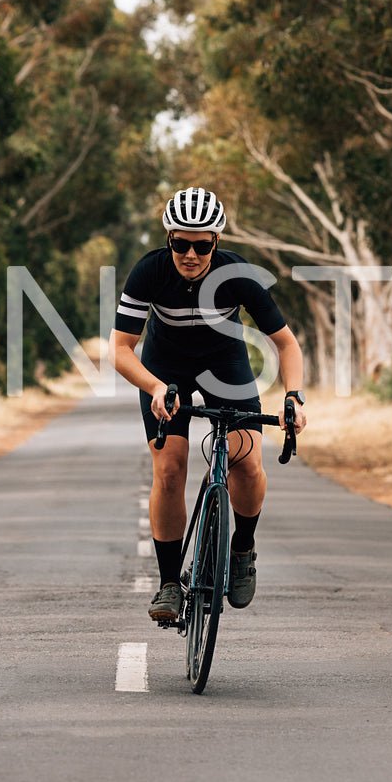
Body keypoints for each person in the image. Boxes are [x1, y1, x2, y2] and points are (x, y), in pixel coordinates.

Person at [111, 187, 308, 622]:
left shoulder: (238, 273)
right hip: (166, 368)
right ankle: (168, 585)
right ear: (168, 238)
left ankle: (242, 548)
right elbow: (121, 350)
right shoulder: (149, 273)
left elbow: (287, 344)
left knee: (248, 463)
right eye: (180, 243)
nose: (191, 254)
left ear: (216, 243)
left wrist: (292, 395)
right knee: (169, 469)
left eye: (201, 245)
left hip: (225, 362)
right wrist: (156, 386)